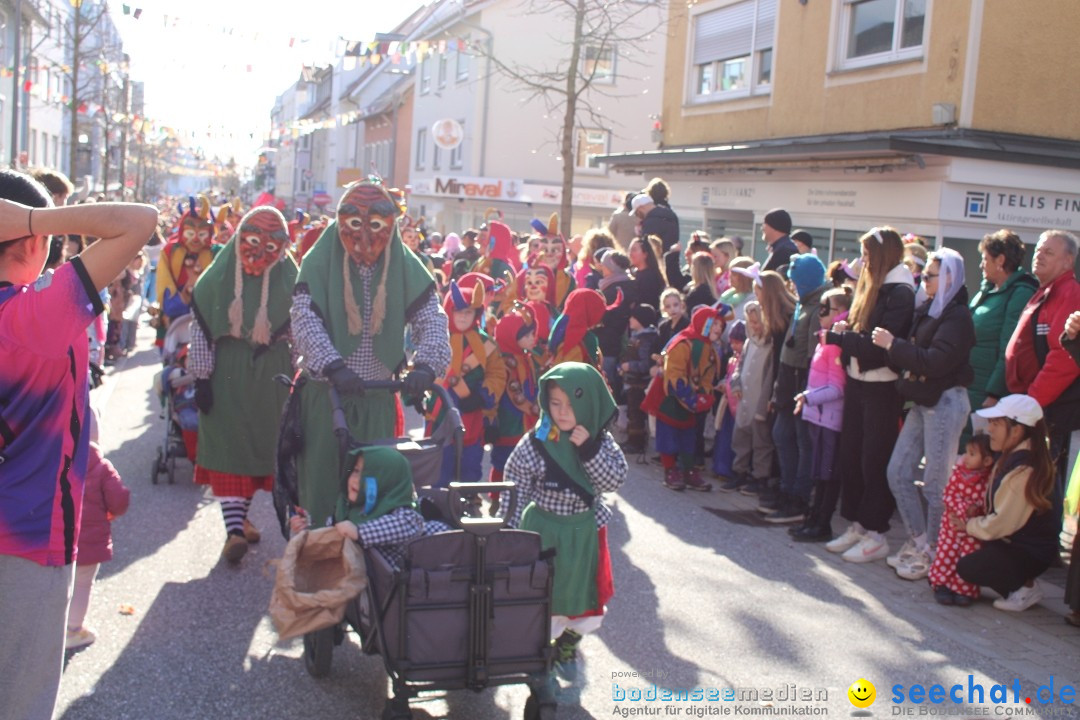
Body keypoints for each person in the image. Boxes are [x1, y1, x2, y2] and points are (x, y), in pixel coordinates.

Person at [0, 170, 157, 720]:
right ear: (36, 243)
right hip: (25, 539)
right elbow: (139, 222)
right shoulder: (32, 315)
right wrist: (37, 218)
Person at [289, 179, 448, 530]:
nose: (364, 238)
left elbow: (431, 317)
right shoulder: (320, 259)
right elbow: (304, 318)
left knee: (373, 486)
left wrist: (426, 365)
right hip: (326, 397)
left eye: (376, 226)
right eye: (354, 225)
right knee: (324, 482)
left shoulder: (402, 262)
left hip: (378, 397)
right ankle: (318, 554)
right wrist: (333, 365)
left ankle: (369, 558)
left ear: (390, 225)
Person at [505, 362, 627, 682]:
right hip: (543, 528)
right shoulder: (539, 439)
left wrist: (589, 451)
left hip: (583, 531)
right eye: (555, 403)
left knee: (583, 593)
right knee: (544, 590)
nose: (562, 412)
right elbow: (515, 480)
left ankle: (569, 641)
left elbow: (613, 480)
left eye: (571, 405)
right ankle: (538, 648)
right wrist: (510, 526)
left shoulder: (599, 439)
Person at [189, 206, 299, 563]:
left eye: (271, 247)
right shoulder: (221, 276)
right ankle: (236, 528)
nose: (259, 255)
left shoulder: (288, 275)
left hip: (262, 373)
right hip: (233, 371)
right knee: (235, 448)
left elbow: (301, 327)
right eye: (252, 242)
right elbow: (202, 329)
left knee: (248, 448)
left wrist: (202, 376)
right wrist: (203, 377)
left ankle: (238, 525)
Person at [875, 248, 976, 580]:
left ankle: (934, 550)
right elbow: (916, 356)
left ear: (948, 277)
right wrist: (894, 347)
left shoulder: (957, 315)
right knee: (898, 471)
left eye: (929, 275)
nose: (923, 280)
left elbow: (936, 361)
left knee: (935, 483)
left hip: (945, 401)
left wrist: (894, 346)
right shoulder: (930, 308)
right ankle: (920, 541)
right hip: (923, 400)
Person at [823, 226, 916, 564]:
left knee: (873, 459)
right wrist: (848, 335)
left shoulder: (900, 292)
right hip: (859, 381)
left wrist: (841, 340)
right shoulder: (874, 287)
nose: (862, 262)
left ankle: (877, 531)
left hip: (881, 385)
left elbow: (881, 347)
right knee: (852, 455)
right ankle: (859, 524)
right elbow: (866, 336)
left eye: (866, 255)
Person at [954, 395, 1060, 612]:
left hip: (1029, 550)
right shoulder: (1015, 455)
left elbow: (1003, 522)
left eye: (996, 424)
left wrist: (970, 526)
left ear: (1017, 430)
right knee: (966, 549)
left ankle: (1024, 587)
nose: (989, 429)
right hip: (1017, 542)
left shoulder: (1024, 467)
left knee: (968, 566)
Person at [1004, 229, 1080, 498]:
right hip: (1034, 406)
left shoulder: (1068, 293)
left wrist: (1032, 401)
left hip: (1051, 411)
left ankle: (1045, 539)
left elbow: (1064, 358)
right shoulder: (1045, 290)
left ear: (1068, 261)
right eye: (1038, 250)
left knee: (1044, 488)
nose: (1039, 256)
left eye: (1049, 252)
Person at [766, 254, 829, 524]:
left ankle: (799, 497)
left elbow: (813, 353)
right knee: (782, 435)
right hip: (787, 378)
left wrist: (808, 391)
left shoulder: (817, 308)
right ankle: (786, 487)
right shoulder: (804, 304)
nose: (791, 285)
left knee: (803, 441)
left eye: (794, 280)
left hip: (803, 380)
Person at [289, 446, 425, 570]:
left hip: (392, 581)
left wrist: (360, 532)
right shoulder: (350, 506)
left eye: (366, 476)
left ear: (385, 483)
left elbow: (411, 523)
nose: (355, 479)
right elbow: (332, 531)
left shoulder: (400, 511)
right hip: (358, 575)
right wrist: (307, 529)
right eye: (355, 471)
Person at [964, 229, 1038, 446]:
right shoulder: (987, 290)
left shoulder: (1020, 293)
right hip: (970, 387)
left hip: (987, 394)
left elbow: (1010, 347)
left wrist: (994, 393)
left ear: (1001, 260)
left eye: (985, 259)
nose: (981, 264)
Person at [789, 288, 852, 541]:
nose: (820, 312)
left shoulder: (835, 344)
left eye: (826, 308)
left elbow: (837, 387)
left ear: (838, 312)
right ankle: (813, 517)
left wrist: (809, 398)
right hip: (819, 416)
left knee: (828, 473)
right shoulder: (825, 341)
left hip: (830, 419)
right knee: (819, 471)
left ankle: (822, 522)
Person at [643, 306, 725, 491]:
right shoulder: (683, 344)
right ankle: (670, 470)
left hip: (691, 401)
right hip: (670, 399)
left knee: (689, 436)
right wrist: (688, 396)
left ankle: (689, 470)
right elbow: (674, 375)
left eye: (721, 325)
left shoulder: (710, 350)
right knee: (669, 435)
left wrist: (704, 394)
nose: (719, 329)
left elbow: (707, 376)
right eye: (715, 324)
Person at [432, 279, 505, 488]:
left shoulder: (486, 344)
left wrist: (482, 395)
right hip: (441, 410)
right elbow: (425, 365)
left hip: (472, 411)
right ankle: (437, 504)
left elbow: (497, 374)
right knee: (439, 462)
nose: (463, 316)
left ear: (477, 314)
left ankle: (467, 501)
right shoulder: (439, 339)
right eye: (458, 311)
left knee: (470, 460)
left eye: (469, 312)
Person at [66, 417, 131, 650]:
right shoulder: (102, 467)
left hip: (57, 538)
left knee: (56, 583)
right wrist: (112, 511)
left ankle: (52, 626)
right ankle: (73, 630)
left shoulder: (53, 461)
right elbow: (119, 500)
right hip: (90, 542)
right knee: (83, 584)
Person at [927, 434, 994, 606]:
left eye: (972, 454)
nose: (966, 458)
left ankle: (962, 589)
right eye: (966, 453)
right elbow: (947, 495)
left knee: (968, 556)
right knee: (946, 554)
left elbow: (988, 502)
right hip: (951, 524)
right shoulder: (958, 474)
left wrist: (977, 508)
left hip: (973, 529)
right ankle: (941, 584)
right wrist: (964, 508)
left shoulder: (988, 480)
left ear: (987, 461)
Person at [721, 302, 775, 494]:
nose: (754, 326)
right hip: (743, 398)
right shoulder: (748, 342)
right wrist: (735, 382)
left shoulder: (770, 346)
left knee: (761, 441)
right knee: (740, 437)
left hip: (759, 399)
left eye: (757, 322)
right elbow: (739, 365)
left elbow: (769, 376)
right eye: (751, 322)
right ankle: (739, 471)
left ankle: (760, 476)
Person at [619, 303, 661, 456]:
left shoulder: (645, 340)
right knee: (632, 412)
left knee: (636, 414)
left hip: (638, 383)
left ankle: (636, 443)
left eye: (633, 317)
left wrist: (629, 366)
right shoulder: (636, 337)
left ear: (641, 319)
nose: (630, 319)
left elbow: (645, 364)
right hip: (631, 380)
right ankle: (632, 439)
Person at [633, 178, 679, 253]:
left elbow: (646, 244)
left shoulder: (650, 215)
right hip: (671, 257)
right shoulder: (671, 214)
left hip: (655, 258)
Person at [628, 235, 666, 309]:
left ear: (645, 254)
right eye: (630, 250)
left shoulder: (650, 277)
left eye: (634, 250)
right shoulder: (635, 274)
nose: (630, 253)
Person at [760, 208, 797, 273]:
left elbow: (770, 280)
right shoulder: (784, 248)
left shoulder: (783, 251)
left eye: (765, 224)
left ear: (774, 226)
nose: (762, 228)